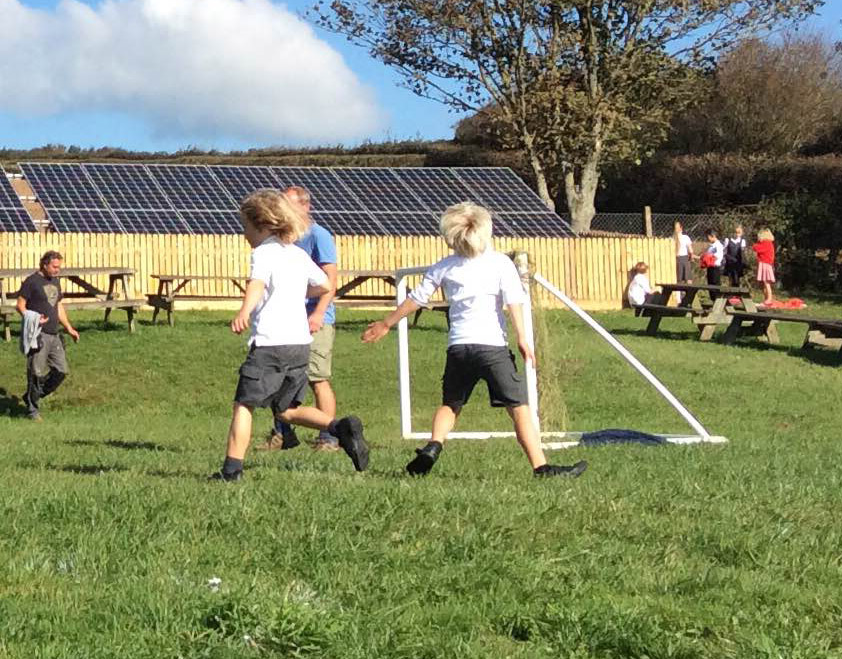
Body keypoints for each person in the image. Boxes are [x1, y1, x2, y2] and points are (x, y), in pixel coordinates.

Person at [360, 202, 585, 480]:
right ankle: (541, 467)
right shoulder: (501, 263)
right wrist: (523, 338)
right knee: (519, 408)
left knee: (451, 404)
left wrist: (386, 323)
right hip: (492, 348)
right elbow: (514, 302)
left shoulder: (444, 266)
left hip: (458, 348)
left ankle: (433, 445)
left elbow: (417, 298)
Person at [212, 190, 343, 482]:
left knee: (244, 404)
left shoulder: (263, 252)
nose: (244, 233)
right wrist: (298, 294)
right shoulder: (296, 252)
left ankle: (231, 471)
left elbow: (256, 284)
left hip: (271, 343)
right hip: (300, 345)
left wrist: (244, 311)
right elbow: (325, 286)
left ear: (261, 224)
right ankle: (341, 428)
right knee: (286, 408)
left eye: (245, 226)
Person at [258, 187, 368, 469]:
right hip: (289, 320)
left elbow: (329, 281)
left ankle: (329, 438)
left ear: (306, 207)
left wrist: (319, 313)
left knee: (317, 378)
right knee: (279, 381)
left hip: (314, 319)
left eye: (288, 205)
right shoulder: (285, 240)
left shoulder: (319, 236)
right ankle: (283, 435)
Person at [16, 250, 80, 420]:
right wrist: (33, 318)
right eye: (54, 267)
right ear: (45, 264)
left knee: (61, 371)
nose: (57, 270)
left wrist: (68, 327)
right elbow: (20, 305)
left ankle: (32, 395)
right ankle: (32, 409)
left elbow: (58, 305)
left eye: (59, 267)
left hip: (54, 334)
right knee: (35, 372)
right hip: (39, 334)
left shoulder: (56, 282)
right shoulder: (32, 282)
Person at [753, 227, 778, 304]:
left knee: (767, 282)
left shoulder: (766, 243)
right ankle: (766, 298)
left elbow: (757, 248)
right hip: (765, 264)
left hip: (765, 264)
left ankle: (769, 299)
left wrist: (754, 245)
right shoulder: (769, 243)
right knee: (765, 283)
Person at [723, 224, 749, 290]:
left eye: (739, 232)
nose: (737, 234)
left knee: (737, 279)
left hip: (738, 262)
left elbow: (743, 253)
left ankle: (737, 294)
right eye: (735, 232)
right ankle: (730, 293)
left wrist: (744, 262)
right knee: (730, 278)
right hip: (729, 262)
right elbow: (724, 250)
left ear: (742, 233)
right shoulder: (727, 240)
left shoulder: (742, 241)